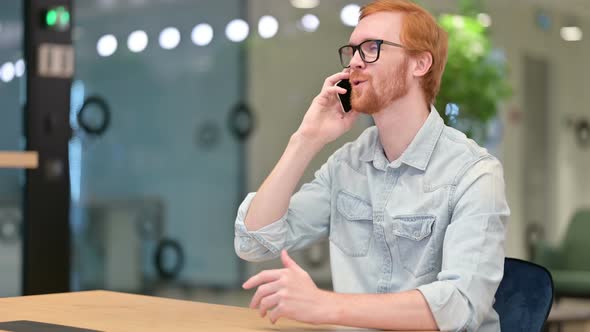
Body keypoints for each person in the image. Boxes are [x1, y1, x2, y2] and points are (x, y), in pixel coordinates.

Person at [234, 0, 510, 330]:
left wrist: (327, 305)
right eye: (351, 51)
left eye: (371, 48)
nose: (353, 63)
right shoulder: (348, 164)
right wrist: (305, 139)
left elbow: (459, 307)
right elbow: (254, 242)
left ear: (419, 63)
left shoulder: (475, 173)